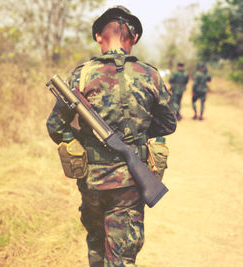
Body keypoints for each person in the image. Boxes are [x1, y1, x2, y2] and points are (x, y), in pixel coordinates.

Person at [46, 6, 176, 266]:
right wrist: (136, 135)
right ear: (135, 38)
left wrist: (81, 140)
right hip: (129, 185)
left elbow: (55, 125)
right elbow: (167, 124)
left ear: (98, 37)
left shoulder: (81, 75)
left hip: (92, 181)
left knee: (97, 246)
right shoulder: (151, 75)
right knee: (122, 257)